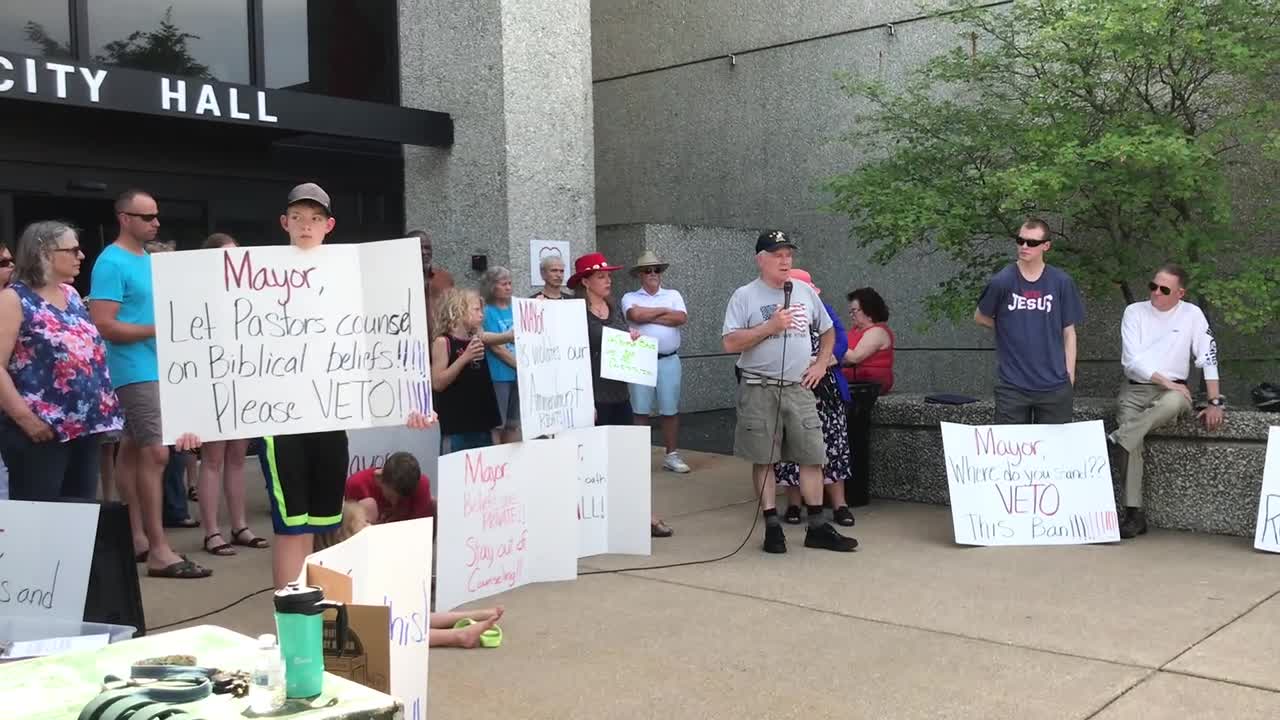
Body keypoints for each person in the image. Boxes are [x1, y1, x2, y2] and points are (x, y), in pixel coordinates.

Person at [175, 183, 436, 588]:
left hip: (330, 419)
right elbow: (216, 341)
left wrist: (413, 401)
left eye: (315, 218)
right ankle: (290, 609)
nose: (306, 225)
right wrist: (192, 416)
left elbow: (383, 338)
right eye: (297, 217)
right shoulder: (257, 276)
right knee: (291, 527)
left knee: (325, 522)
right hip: (281, 423)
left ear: (329, 224)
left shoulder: (352, 272)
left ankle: (319, 603)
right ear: (284, 222)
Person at [90, 189, 209, 579]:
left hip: (158, 364)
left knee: (132, 449)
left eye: (156, 216)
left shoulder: (149, 260)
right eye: (147, 217)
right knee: (157, 453)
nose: (156, 223)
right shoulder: (110, 262)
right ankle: (159, 549)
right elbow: (104, 324)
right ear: (124, 218)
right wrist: (161, 330)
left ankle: (139, 537)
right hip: (133, 367)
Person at [722, 231, 858, 554]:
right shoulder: (744, 296)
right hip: (759, 387)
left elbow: (827, 331)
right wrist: (770, 327)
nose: (785, 260)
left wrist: (821, 365)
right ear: (761, 259)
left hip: (799, 386)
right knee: (764, 457)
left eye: (788, 254)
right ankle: (771, 526)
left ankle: (817, 526)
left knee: (813, 454)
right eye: (777, 254)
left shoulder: (804, 293)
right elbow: (729, 343)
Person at [0, 221, 123, 501]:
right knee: (41, 515)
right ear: (44, 252)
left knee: (79, 516)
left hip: (85, 426)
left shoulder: (71, 294)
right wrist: (25, 418)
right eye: (73, 250)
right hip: (41, 431)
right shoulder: (13, 300)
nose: (81, 256)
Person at [1111, 264, 1225, 539]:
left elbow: (1208, 356)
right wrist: (1165, 381)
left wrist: (1215, 401)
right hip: (1137, 388)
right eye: (1153, 286)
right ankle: (1134, 513)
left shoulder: (1192, 315)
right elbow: (1132, 360)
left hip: (1173, 393)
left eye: (1164, 289)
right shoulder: (1134, 312)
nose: (1156, 293)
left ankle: (1116, 437)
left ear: (1180, 293)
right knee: (1131, 439)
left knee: (1173, 403)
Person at [569, 252, 673, 538]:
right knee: (592, 460)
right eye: (601, 276)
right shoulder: (575, 310)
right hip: (592, 394)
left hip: (617, 391)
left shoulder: (610, 307)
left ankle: (638, 512)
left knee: (627, 456)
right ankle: (593, 516)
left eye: (609, 276)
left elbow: (616, 340)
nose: (608, 281)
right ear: (586, 282)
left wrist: (631, 338)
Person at [191, 233, 267, 556]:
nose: (233, 259)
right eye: (227, 254)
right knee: (213, 458)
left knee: (238, 455)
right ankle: (211, 531)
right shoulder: (199, 292)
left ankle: (239, 525)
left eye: (237, 253)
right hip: (211, 377)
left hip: (242, 375)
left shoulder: (247, 290)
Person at [974, 217, 1084, 424]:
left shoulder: (1061, 282)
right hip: (1013, 386)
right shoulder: (1002, 280)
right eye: (1020, 240)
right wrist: (1008, 327)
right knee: (1010, 452)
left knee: (1053, 453)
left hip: (1055, 385)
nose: (1024, 246)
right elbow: (980, 316)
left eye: (1032, 242)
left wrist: (1069, 376)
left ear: (1046, 246)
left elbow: (1069, 332)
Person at [774, 270, 855, 527]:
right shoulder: (779, 313)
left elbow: (840, 343)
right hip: (792, 389)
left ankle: (839, 505)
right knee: (792, 449)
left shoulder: (826, 311)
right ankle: (795, 504)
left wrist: (819, 363)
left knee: (833, 446)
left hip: (826, 389)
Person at [621, 250, 691, 474]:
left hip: (668, 358)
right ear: (640, 275)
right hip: (640, 357)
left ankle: (671, 455)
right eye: (647, 270)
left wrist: (649, 313)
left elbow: (680, 318)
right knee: (640, 410)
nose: (652, 273)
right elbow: (635, 316)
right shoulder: (630, 297)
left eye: (656, 270)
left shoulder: (674, 294)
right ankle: (638, 457)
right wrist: (663, 311)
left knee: (669, 410)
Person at [431, 288, 502, 453]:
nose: (481, 315)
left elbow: (503, 336)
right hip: (457, 427)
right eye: (476, 309)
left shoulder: (476, 338)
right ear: (458, 311)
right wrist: (465, 357)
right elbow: (438, 383)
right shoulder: (443, 342)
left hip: (483, 425)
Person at [481, 267, 520, 444]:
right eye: (503, 284)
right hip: (499, 374)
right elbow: (496, 348)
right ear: (491, 287)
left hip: (519, 375)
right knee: (499, 423)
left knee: (514, 422)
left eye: (510, 283)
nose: (508, 287)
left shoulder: (517, 308)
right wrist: (519, 365)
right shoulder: (487, 312)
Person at [842, 287, 895, 394]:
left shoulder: (877, 332)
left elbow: (854, 357)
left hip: (869, 384)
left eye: (854, 311)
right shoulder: (855, 330)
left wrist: (832, 343)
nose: (851, 315)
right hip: (853, 382)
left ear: (869, 311)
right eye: (850, 312)